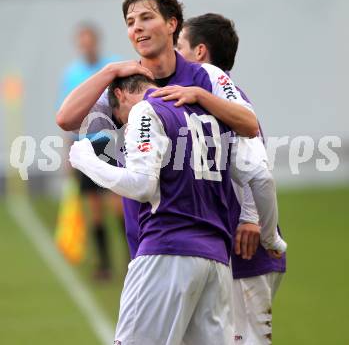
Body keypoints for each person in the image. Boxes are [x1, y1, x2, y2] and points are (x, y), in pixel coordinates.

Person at [69, 73, 286, 345]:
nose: (123, 124)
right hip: (217, 262)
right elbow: (258, 175)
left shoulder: (144, 110)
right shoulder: (204, 113)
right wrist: (270, 236)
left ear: (121, 95)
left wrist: (86, 160)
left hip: (167, 251)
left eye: (118, 116)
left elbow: (142, 185)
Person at [56, 0, 259, 261]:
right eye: (130, 22)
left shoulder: (206, 76)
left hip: (210, 242)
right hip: (150, 245)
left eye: (146, 18)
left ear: (172, 24)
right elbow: (66, 119)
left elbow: (249, 125)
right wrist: (110, 71)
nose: (137, 27)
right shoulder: (124, 85)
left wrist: (199, 95)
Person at [175, 12, 286, 344]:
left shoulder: (225, 99)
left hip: (247, 246)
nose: (174, 54)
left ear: (200, 52)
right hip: (227, 244)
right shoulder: (204, 98)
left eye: (179, 45)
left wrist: (252, 218)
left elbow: (256, 159)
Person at [57, 23, 124, 279]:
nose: (87, 46)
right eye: (82, 42)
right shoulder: (72, 74)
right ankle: (104, 264)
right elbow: (66, 116)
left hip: (110, 141)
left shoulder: (112, 67)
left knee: (120, 205)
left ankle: (132, 256)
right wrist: (68, 155)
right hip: (86, 144)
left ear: (97, 41)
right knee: (95, 211)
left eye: (90, 41)